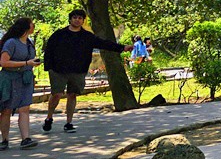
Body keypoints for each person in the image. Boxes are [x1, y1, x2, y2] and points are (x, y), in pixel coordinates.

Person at [43, 9, 130, 133]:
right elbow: (49, 50)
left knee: (72, 94)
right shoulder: (59, 34)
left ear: (83, 21)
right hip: (58, 70)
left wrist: (121, 47)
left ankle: (68, 122)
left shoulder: (87, 37)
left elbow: (103, 43)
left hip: (78, 70)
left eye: (80, 18)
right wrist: (49, 67)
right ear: (70, 19)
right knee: (56, 94)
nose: (77, 20)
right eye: (75, 17)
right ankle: (49, 117)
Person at [1, 17, 40, 150]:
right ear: (26, 27)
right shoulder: (11, 43)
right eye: (32, 24)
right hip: (10, 79)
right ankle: (4, 140)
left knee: (24, 108)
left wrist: (32, 63)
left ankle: (25, 139)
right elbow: (4, 62)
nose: (34, 26)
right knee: (6, 110)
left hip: (25, 80)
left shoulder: (30, 43)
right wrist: (26, 63)